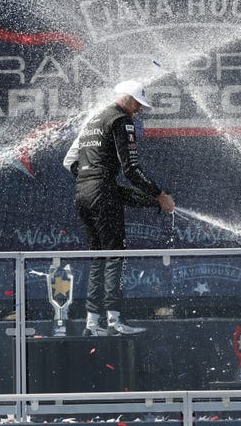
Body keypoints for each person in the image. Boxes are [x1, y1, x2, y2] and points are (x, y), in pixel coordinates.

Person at [64, 80, 175, 337]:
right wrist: (159, 195)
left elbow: (68, 161)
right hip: (102, 193)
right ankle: (114, 320)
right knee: (115, 255)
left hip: (82, 193)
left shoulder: (93, 120)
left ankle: (92, 323)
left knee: (98, 257)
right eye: (136, 103)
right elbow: (131, 170)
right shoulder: (121, 120)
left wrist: (92, 180)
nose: (137, 110)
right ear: (125, 98)